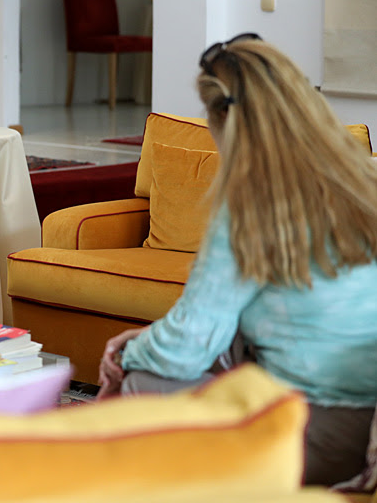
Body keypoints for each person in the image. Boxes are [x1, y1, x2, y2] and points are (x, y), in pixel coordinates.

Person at [97, 33, 377, 486]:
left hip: (311, 433)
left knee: (140, 380)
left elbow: (186, 349)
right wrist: (148, 338)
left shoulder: (252, 206)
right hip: (367, 427)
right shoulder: (363, 180)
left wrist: (131, 353)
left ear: (222, 121)